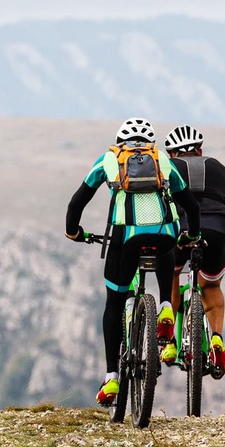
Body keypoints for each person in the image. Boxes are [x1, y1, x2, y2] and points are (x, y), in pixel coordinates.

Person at [65, 118, 202, 408]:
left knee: (114, 302)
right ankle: (166, 306)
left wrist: (73, 231)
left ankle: (112, 375)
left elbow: (77, 202)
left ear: (120, 141)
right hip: (164, 238)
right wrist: (193, 234)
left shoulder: (108, 160)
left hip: (124, 240)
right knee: (166, 244)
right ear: (150, 142)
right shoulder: (163, 160)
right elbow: (191, 204)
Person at [161, 124, 225, 377]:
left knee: (171, 274)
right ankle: (216, 340)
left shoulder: (169, 168)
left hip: (181, 232)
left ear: (171, 154)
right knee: (211, 287)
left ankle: (170, 343)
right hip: (217, 233)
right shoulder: (217, 167)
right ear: (200, 150)